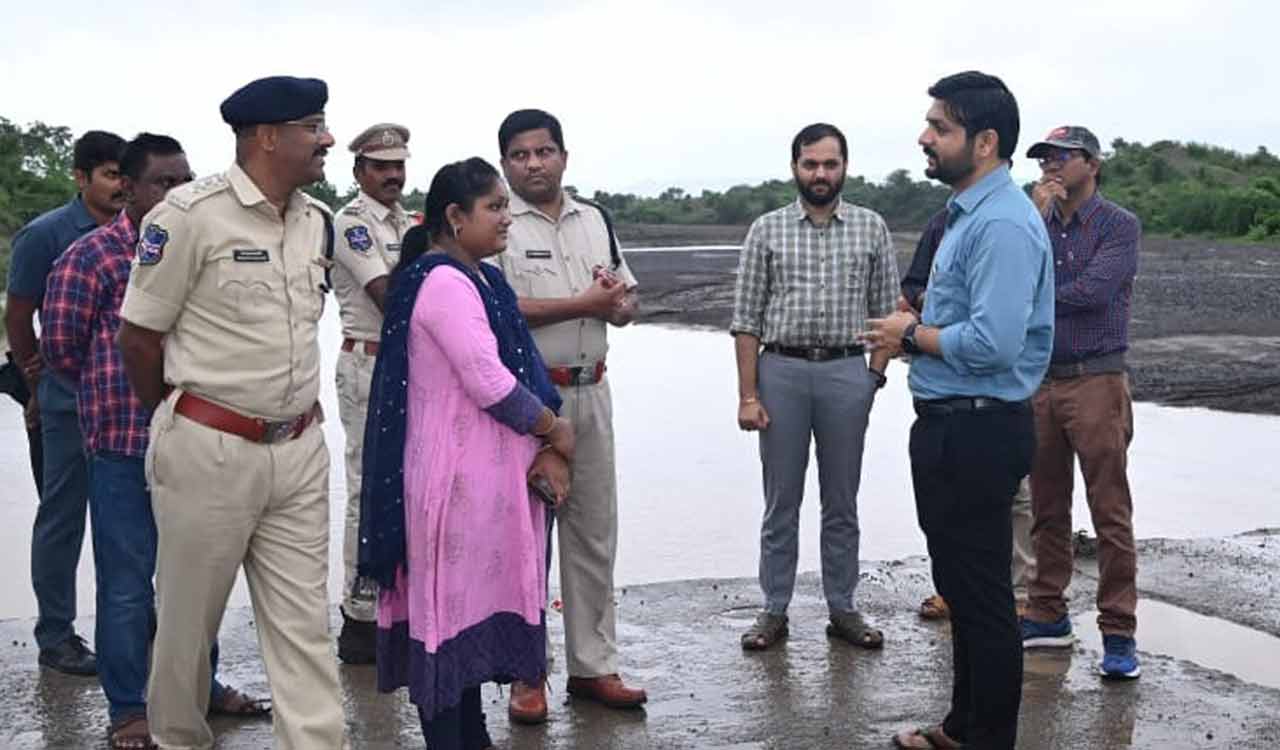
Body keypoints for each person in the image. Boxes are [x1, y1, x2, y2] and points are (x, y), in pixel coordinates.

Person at [115, 76, 345, 750]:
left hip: (299, 450)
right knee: (188, 625)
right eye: (315, 126)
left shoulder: (316, 219)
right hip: (208, 449)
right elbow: (139, 336)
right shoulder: (188, 217)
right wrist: (179, 421)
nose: (326, 137)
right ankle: (179, 738)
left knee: (305, 623)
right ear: (268, 137)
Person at [40, 132, 269, 749]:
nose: (178, 193)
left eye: (185, 180)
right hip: (121, 445)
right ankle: (128, 708)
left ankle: (202, 687)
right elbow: (60, 348)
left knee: (199, 576)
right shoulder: (90, 258)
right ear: (129, 190)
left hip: (199, 439)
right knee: (126, 583)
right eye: (164, 183)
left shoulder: (202, 249)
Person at [865, 71, 1053, 750]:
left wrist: (906, 337)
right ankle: (963, 726)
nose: (925, 136)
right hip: (953, 422)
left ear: (985, 142)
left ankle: (987, 739)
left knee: (982, 598)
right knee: (964, 587)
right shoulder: (970, 214)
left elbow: (996, 344)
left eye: (940, 127)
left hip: (978, 425)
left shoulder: (1002, 224)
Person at [358, 157, 573, 750]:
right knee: (445, 621)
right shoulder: (444, 282)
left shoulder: (478, 277)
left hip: (482, 482)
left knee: (463, 623)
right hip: (455, 484)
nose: (508, 218)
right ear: (455, 217)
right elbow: (488, 379)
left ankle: (470, 736)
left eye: (506, 206)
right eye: (496, 208)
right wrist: (554, 428)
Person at [491, 108, 647, 723]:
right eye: (521, 155)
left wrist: (617, 305)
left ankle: (593, 666)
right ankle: (528, 675)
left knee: (593, 532)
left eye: (545, 151)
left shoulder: (595, 219)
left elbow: (625, 297)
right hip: (526, 403)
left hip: (592, 390)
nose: (535, 164)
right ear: (506, 163)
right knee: (527, 541)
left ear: (564, 155)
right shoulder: (496, 221)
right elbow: (500, 310)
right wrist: (584, 301)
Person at [729, 122, 899, 652]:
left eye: (830, 164)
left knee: (842, 501)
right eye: (811, 164)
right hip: (780, 372)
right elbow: (746, 320)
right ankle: (773, 610)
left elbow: (889, 313)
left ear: (845, 166)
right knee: (781, 501)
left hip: (848, 372)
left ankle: (843, 608)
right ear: (795, 168)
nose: (820, 174)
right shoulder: (767, 229)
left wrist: (872, 377)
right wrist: (748, 396)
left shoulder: (871, 228)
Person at [1020, 125, 1143, 680]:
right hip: (1042, 380)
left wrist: (1029, 299)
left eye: (1062, 158)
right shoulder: (1035, 223)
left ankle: (1118, 631)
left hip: (1097, 378)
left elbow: (1093, 291)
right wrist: (1033, 216)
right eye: (1045, 158)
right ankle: (1047, 614)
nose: (1051, 167)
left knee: (1109, 511)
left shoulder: (1118, 225)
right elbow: (1014, 272)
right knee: (1047, 507)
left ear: (1091, 164)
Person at [5, 128, 126, 676]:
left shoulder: (146, 234)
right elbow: (19, 317)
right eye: (109, 174)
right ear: (80, 178)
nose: (120, 185)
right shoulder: (46, 235)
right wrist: (35, 386)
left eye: (126, 173)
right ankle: (56, 635)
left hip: (127, 406)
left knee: (125, 521)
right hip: (66, 402)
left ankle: (126, 631)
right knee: (62, 517)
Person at [902, 207, 1036, 623]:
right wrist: (943, 305)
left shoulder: (1009, 222)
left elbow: (999, 323)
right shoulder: (943, 222)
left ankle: (1017, 593)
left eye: (943, 135)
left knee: (1015, 499)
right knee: (945, 515)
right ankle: (955, 592)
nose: (928, 139)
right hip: (941, 397)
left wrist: (932, 319)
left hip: (997, 399)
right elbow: (913, 285)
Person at [331, 122, 414, 664]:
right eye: (381, 167)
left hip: (407, 365)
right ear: (359, 170)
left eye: (399, 166)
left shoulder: (410, 222)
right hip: (368, 361)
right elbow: (390, 296)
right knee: (367, 488)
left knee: (406, 488)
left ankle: (397, 606)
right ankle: (359, 617)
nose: (392, 176)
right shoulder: (351, 224)